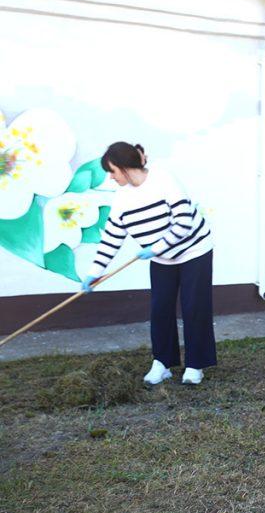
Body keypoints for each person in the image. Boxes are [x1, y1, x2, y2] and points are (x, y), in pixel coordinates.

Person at [81, 142, 215, 385]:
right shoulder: (122, 198)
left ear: (123, 167)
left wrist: (155, 248)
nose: (111, 178)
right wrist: (94, 273)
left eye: (112, 171)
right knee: (160, 308)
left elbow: (184, 222)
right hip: (162, 257)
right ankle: (162, 362)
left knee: (194, 306)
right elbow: (111, 238)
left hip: (194, 249)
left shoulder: (163, 179)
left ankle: (195, 365)